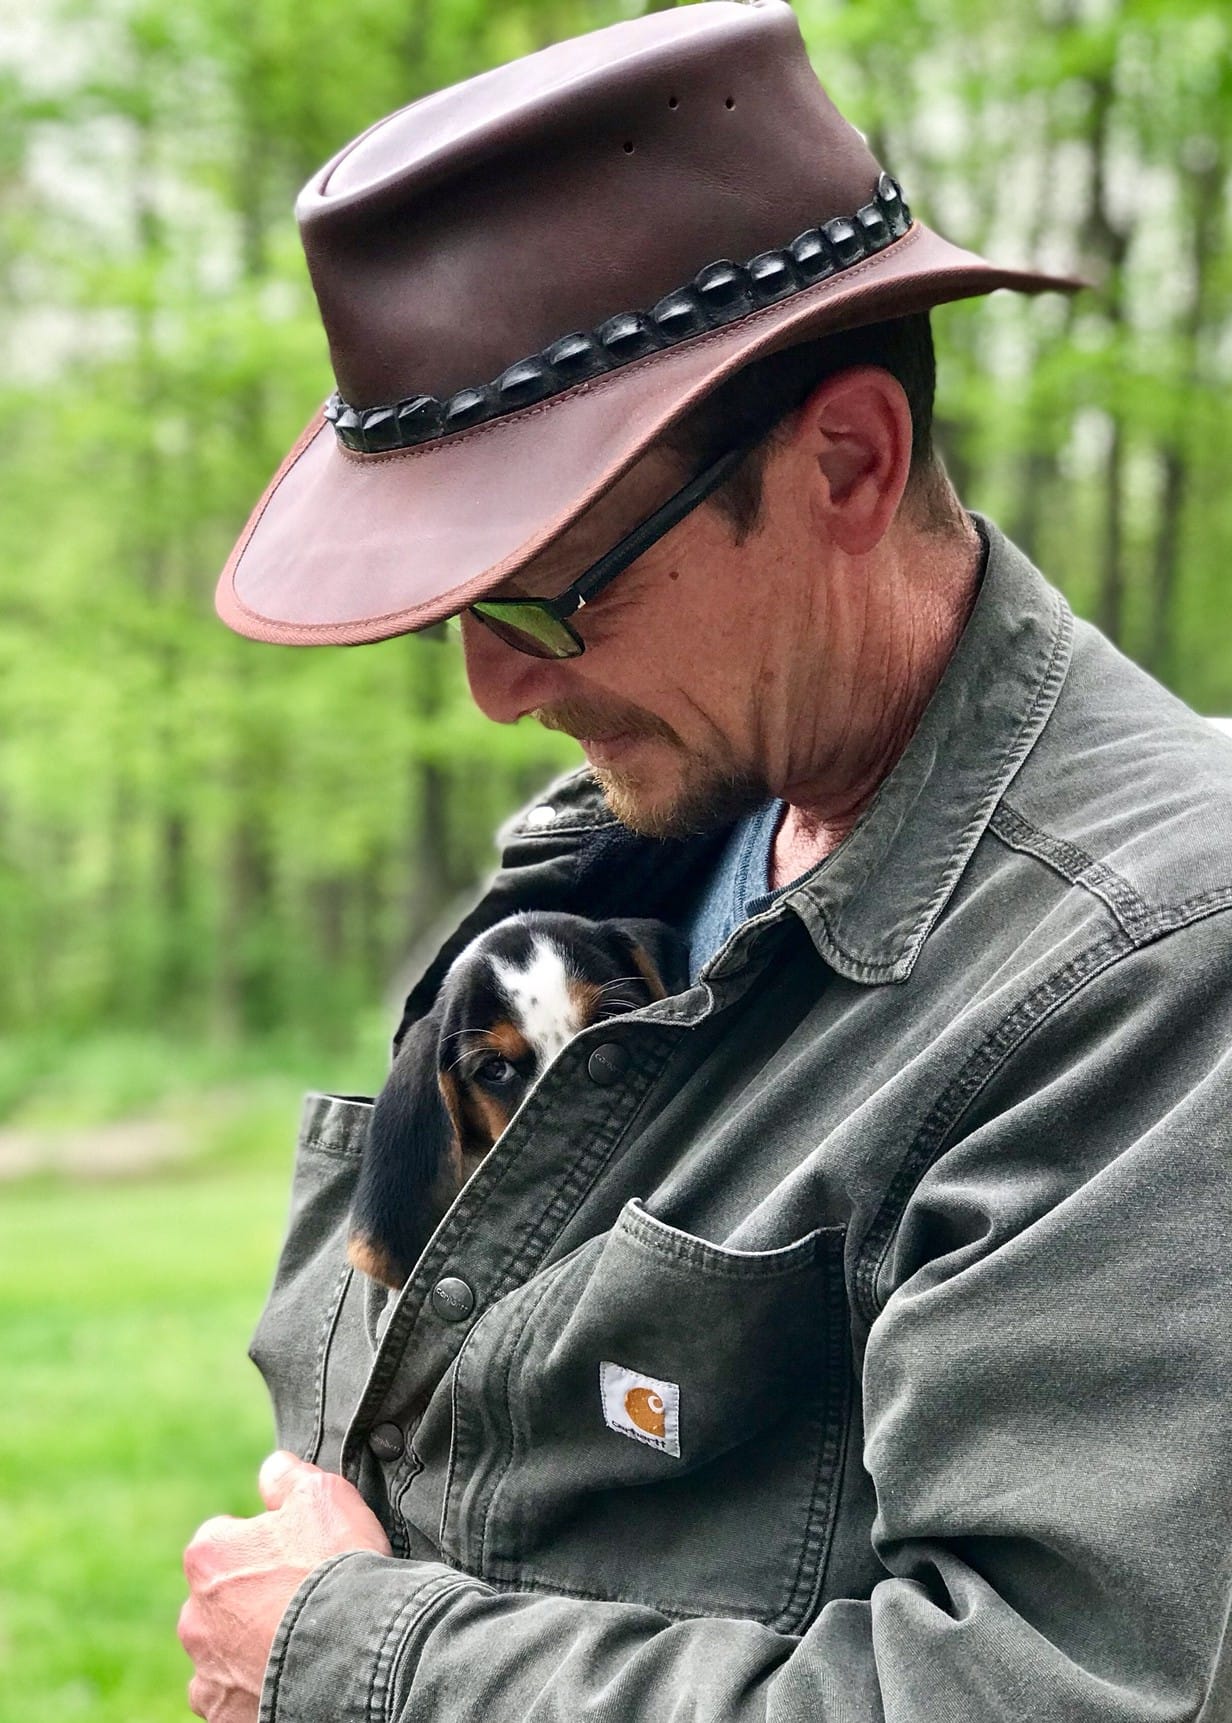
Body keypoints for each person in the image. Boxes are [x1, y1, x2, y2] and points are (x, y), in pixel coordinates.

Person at [180, 4, 1232, 1719]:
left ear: (848, 464)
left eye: (551, 596)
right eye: (462, 610)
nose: (495, 690)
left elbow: (1032, 1691)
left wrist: (351, 1656)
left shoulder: (1157, 961)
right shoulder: (625, 861)